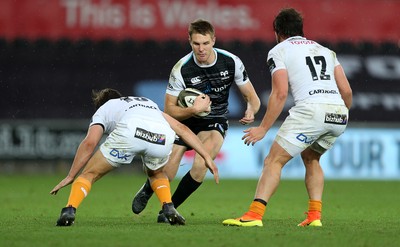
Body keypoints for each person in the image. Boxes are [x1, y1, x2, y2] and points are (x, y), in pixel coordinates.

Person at [222, 8, 352, 227]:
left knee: (273, 161)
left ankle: (254, 215)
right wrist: (341, 112)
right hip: (339, 113)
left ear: (277, 32)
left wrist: (263, 128)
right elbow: (346, 91)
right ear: (301, 30)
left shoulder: (279, 50)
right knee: (311, 158)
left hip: (311, 110)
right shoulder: (327, 51)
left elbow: (280, 93)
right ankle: (314, 216)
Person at [131, 19, 260, 222]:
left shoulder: (231, 61)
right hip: (185, 119)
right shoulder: (181, 69)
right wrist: (193, 109)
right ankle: (148, 189)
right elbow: (169, 110)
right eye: (196, 44)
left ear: (214, 40)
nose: (201, 49)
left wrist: (251, 109)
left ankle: (168, 209)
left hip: (215, 119)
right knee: (168, 167)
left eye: (206, 43)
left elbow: (252, 98)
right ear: (189, 41)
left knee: (200, 166)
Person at [50, 88, 219, 226]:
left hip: (131, 131)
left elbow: (89, 143)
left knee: (89, 174)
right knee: (157, 173)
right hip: (162, 136)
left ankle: (69, 210)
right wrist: (206, 157)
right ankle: (168, 206)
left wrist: (71, 175)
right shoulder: (146, 103)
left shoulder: (105, 108)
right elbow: (182, 129)